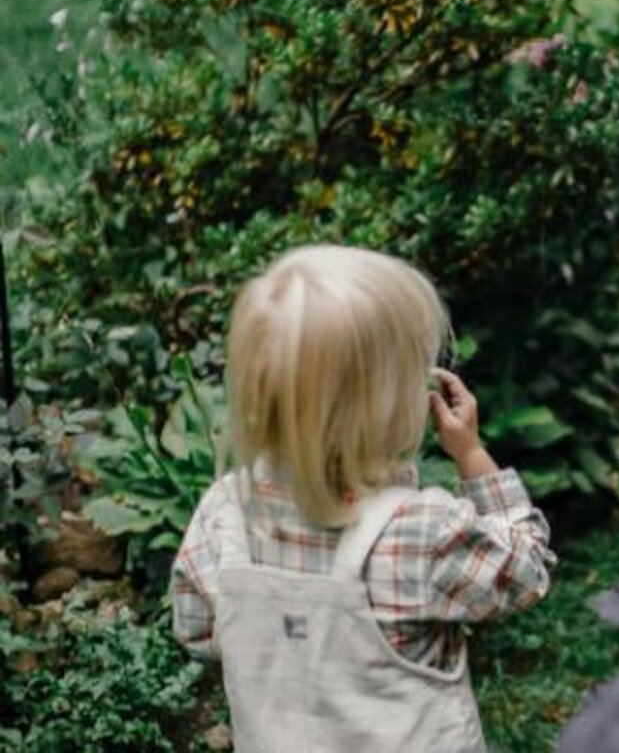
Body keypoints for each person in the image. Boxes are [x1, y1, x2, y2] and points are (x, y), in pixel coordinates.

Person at [171, 245, 555, 753]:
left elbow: (198, 630)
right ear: (387, 406)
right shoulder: (421, 530)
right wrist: (471, 454)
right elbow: (526, 571)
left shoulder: (227, 511)